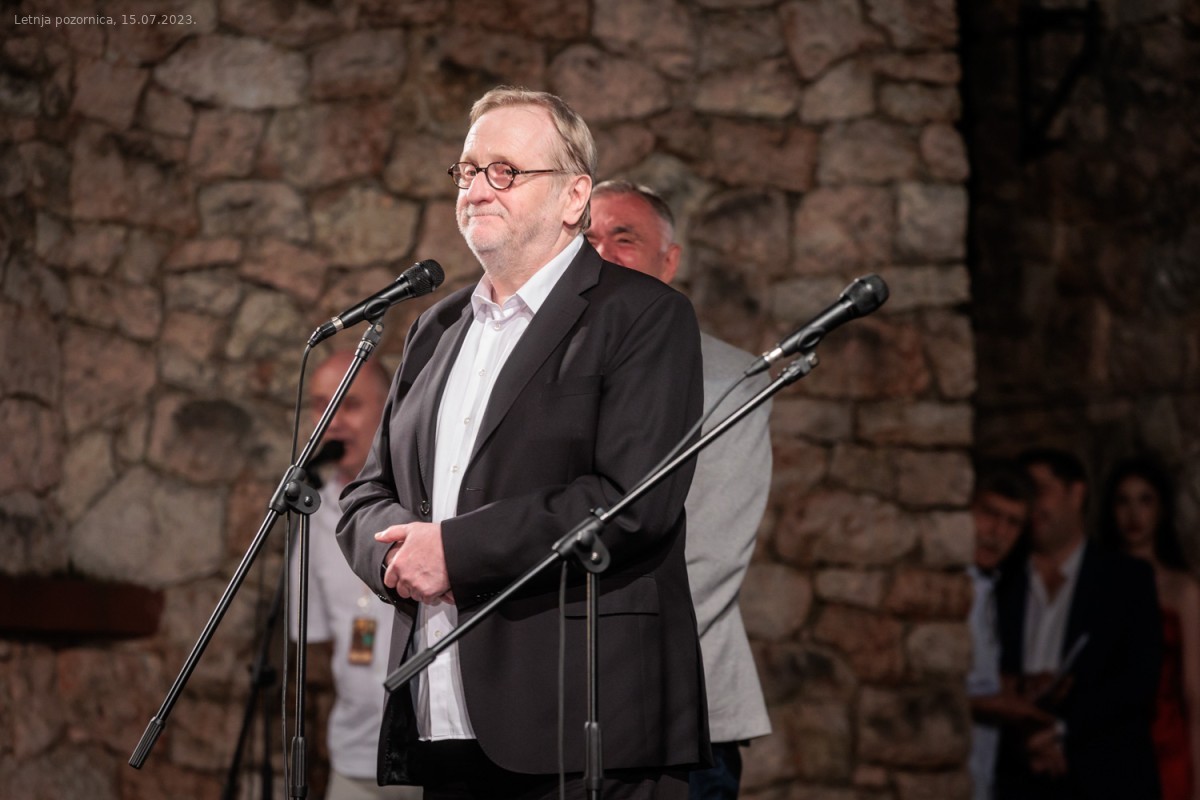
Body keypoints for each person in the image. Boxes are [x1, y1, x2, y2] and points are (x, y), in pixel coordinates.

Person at [336, 87, 710, 800]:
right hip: (443, 716)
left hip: (583, 720)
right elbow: (367, 493)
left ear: (574, 196)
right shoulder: (437, 328)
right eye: (468, 170)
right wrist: (393, 559)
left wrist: (453, 551)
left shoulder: (643, 315)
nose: (477, 188)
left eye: (505, 171)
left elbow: (631, 501)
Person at [586, 180, 772, 800]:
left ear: (669, 262)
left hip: (679, 708)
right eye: (587, 238)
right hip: (558, 708)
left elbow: (709, 559)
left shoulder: (728, 379)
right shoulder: (544, 366)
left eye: (624, 238)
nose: (601, 252)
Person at [993, 447, 1162, 799]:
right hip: (1017, 779)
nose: (1031, 505)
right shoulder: (999, 580)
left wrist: (1057, 730)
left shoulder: (1127, 579)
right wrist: (1022, 737)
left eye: (1040, 490)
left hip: (1103, 780)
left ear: (1076, 494)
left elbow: (1138, 680)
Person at [290, 351, 422, 800]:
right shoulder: (313, 513)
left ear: (388, 409)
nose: (334, 422)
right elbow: (320, 639)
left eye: (350, 405)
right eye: (321, 405)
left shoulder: (422, 503)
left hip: (429, 761)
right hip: (352, 758)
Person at [1099, 455, 1200, 800]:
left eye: (1145, 501)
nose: (1134, 514)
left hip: (1167, 746)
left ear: (1161, 510)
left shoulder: (1181, 589)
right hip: (1108, 742)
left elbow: (1194, 694)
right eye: (1123, 501)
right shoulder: (1098, 583)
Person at [963, 461, 1050, 800]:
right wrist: (1000, 707)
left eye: (1013, 523)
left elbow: (973, 677)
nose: (998, 532)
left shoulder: (990, 588)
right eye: (989, 514)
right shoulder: (946, 587)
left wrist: (1016, 685)